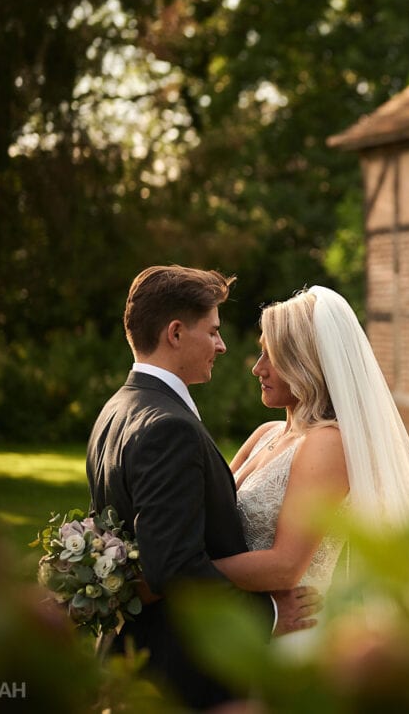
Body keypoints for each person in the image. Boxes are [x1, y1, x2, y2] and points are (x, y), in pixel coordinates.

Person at [85, 265, 318, 709]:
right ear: (176, 333)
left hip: (143, 655)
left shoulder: (117, 409)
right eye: (212, 332)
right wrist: (268, 614)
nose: (222, 345)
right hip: (178, 667)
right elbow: (174, 567)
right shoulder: (168, 426)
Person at [213, 286, 409, 650]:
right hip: (244, 622)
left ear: (303, 361)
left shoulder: (328, 443)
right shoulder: (265, 434)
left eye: (270, 355)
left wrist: (180, 575)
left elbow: (285, 566)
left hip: (286, 634)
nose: (257, 368)